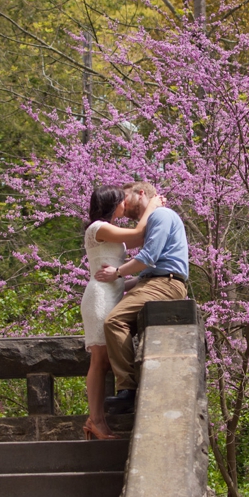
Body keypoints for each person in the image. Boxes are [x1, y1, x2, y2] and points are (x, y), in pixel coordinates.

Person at [94, 181, 189, 414]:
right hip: (157, 281)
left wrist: (116, 273)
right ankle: (130, 384)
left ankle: (128, 390)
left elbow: (148, 257)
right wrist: (122, 284)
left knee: (114, 321)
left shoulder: (161, 215)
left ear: (141, 193)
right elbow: (150, 269)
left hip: (165, 284)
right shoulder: (154, 220)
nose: (123, 206)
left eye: (126, 198)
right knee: (117, 320)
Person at [81, 185, 163, 440]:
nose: (125, 205)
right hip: (99, 297)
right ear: (111, 204)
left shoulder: (109, 231)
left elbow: (138, 240)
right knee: (99, 360)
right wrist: (152, 204)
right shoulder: (98, 228)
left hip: (111, 293)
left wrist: (140, 279)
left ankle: (95, 420)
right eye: (121, 201)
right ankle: (96, 422)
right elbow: (140, 233)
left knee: (103, 360)